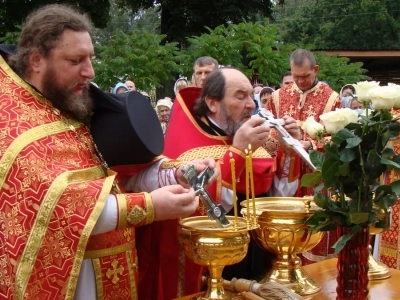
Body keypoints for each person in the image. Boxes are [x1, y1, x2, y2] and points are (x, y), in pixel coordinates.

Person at [0, 5, 218, 300]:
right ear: (37, 60)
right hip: (72, 284)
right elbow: (59, 206)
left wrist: (172, 175)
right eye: (76, 61)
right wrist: (149, 206)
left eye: (91, 58)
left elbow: (117, 174)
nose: (89, 72)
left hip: (112, 270)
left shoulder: (69, 102)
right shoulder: (13, 120)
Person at [136, 67, 302, 299]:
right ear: (213, 103)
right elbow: (203, 214)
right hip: (211, 266)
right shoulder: (188, 148)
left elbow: (278, 197)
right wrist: (238, 153)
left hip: (259, 262)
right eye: (240, 96)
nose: (251, 105)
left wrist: (289, 151)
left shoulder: (249, 137)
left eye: (250, 96)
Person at [267, 48, 342, 265]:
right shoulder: (277, 97)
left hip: (315, 175)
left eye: (305, 76)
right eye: (295, 76)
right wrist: (281, 140)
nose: (299, 81)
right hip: (285, 175)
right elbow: (269, 131)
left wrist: (310, 143)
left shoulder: (332, 99)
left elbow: (337, 139)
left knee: (314, 226)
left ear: (315, 70)